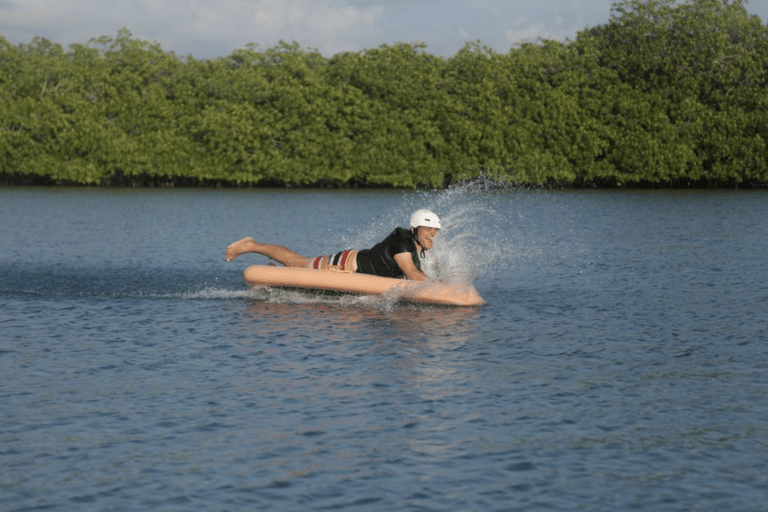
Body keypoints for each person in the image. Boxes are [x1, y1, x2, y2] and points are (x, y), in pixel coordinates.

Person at [226, 209, 442, 281]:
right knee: (296, 262)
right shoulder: (403, 242)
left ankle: (276, 273)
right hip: (344, 264)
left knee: (296, 264)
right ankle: (249, 245)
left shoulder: (416, 247)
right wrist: (441, 287)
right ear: (414, 229)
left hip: (356, 265)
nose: (433, 234)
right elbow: (412, 274)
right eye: (428, 229)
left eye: (435, 230)